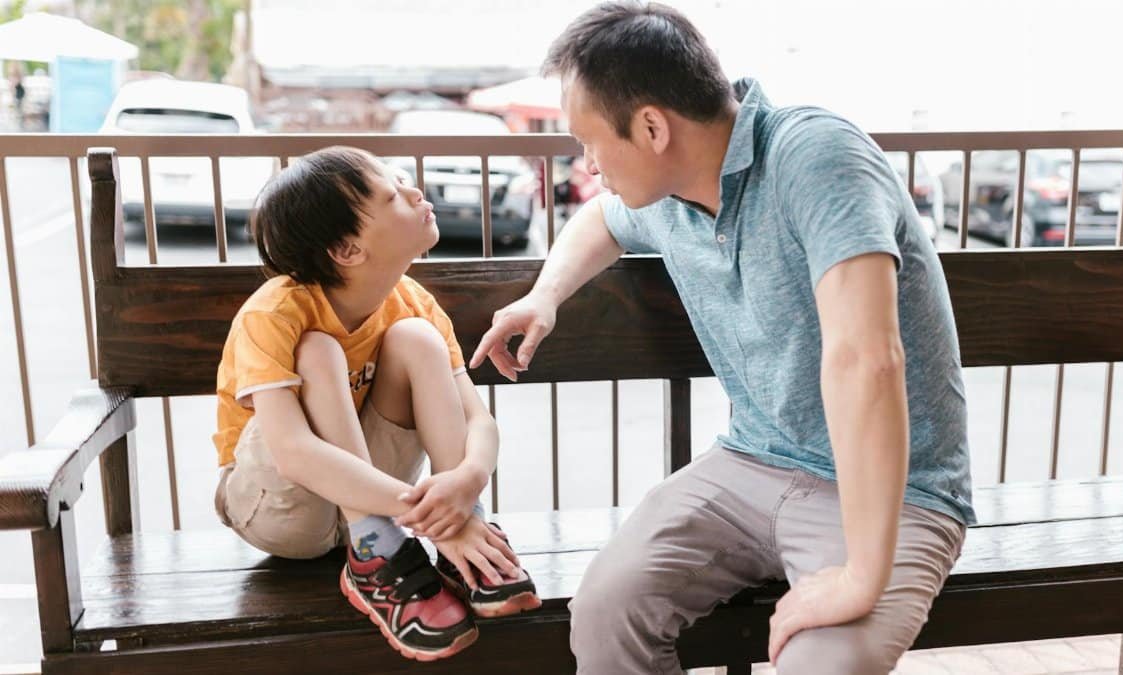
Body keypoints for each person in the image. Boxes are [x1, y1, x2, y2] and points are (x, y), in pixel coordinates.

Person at [470, 3, 974, 673]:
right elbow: (602, 221)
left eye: (590, 142)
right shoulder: (672, 190)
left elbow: (866, 359)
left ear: (652, 127)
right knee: (604, 611)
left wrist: (859, 577)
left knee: (823, 663)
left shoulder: (815, 154)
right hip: (749, 462)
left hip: (896, 487)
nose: (587, 164)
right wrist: (544, 295)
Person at [212, 146, 541, 661]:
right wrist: (430, 515)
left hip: (371, 496)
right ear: (347, 249)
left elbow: (477, 419)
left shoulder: (412, 304)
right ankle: (375, 551)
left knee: (417, 339)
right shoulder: (275, 312)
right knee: (317, 349)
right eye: (393, 195)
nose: (415, 192)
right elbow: (294, 452)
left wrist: (464, 487)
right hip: (280, 509)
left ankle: (462, 529)